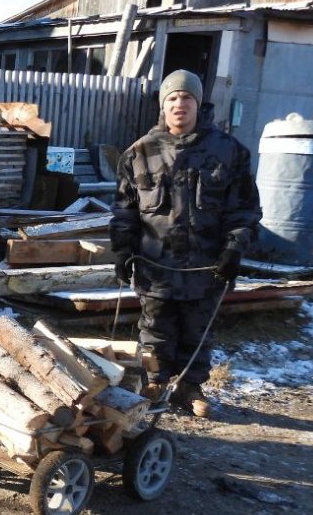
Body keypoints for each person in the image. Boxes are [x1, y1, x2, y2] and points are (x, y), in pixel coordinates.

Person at [109, 69, 261, 419]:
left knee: (198, 329)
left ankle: (190, 387)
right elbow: (124, 211)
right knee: (156, 328)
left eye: (187, 97)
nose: (180, 104)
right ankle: (155, 382)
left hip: (206, 266)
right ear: (163, 106)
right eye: (173, 98)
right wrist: (122, 248)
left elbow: (244, 211)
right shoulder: (139, 153)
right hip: (155, 265)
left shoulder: (229, 152)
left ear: (199, 104)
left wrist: (234, 250)